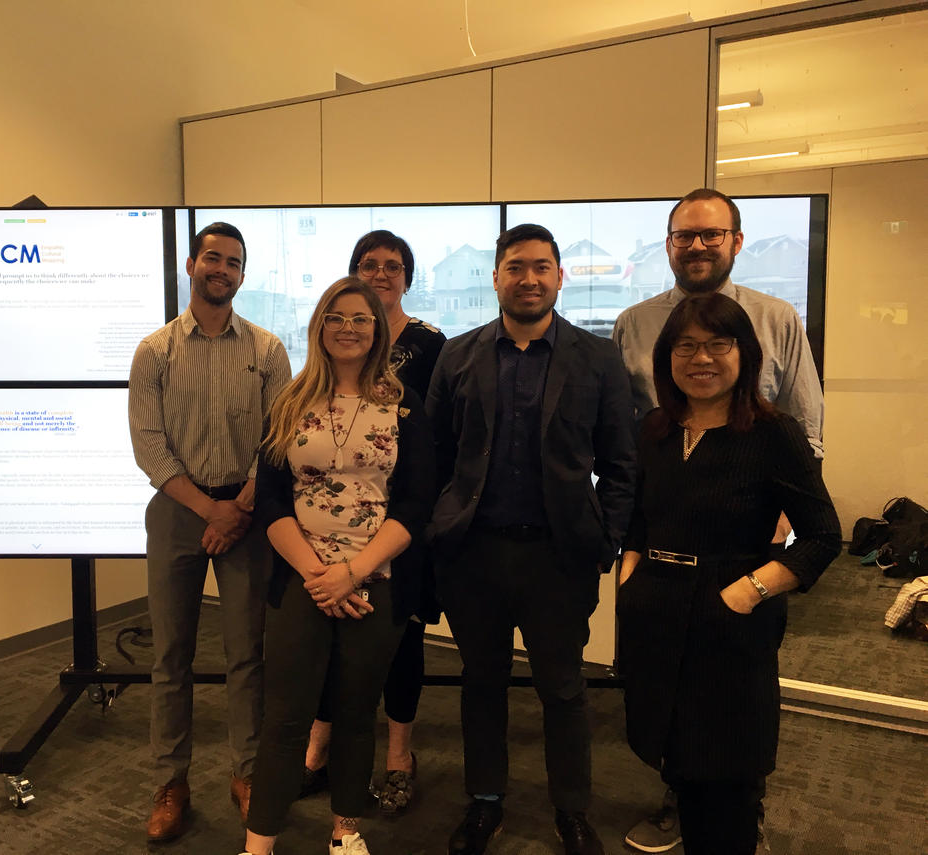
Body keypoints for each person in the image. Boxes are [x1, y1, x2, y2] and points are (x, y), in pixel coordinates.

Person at [611, 188, 825, 853]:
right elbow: (640, 505)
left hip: (735, 598)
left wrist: (758, 581)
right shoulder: (656, 425)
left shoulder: (770, 428)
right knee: (674, 741)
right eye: (687, 348)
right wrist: (630, 571)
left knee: (729, 764)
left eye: (719, 346)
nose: (702, 358)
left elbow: (822, 530)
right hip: (661, 607)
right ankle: (687, 808)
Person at [426, 224, 636, 855]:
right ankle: (484, 801)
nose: (529, 279)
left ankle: (571, 809)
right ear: (496, 277)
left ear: (559, 277)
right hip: (474, 555)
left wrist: (608, 539)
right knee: (480, 680)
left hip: (558, 557)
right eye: (515, 267)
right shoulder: (457, 356)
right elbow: (433, 458)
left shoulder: (597, 359)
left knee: (564, 687)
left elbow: (622, 465)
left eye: (541, 267)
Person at [240, 277, 435, 855]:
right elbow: (272, 501)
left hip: (376, 580)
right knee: (285, 720)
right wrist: (319, 576)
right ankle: (259, 843)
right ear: (319, 326)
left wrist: (352, 573)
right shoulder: (291, 401)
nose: (348, 327)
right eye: (336, 316)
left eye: (361, 318)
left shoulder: (403, 403)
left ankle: (345, 829)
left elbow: (416, 502)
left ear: (378, 329)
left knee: (355, 714)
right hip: (302, 579)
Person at [128, 222, 292, 843]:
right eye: (212, 258)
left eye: (234, 262)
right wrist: (209, 510)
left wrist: (241, 506)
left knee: (247, 652)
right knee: (171, 655)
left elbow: (279, 437)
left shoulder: (269, 351)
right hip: (179, 510)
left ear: (243, 275)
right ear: (193, 264)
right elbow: (149, 446)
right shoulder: (155, 351)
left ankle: (247, 773)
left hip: (249, 511)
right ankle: (172, 781)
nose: (221, 269)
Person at [300, 230, 446, 815]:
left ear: (408, 276)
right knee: (332, 640)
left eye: (393, 266)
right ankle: (319, 745)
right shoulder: (333, 347)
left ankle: (399, 755)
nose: (381, 273)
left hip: (404, 522)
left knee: (402, 639)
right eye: (368, 265)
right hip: (327, 535)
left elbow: (441, 435)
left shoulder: (434, 346)